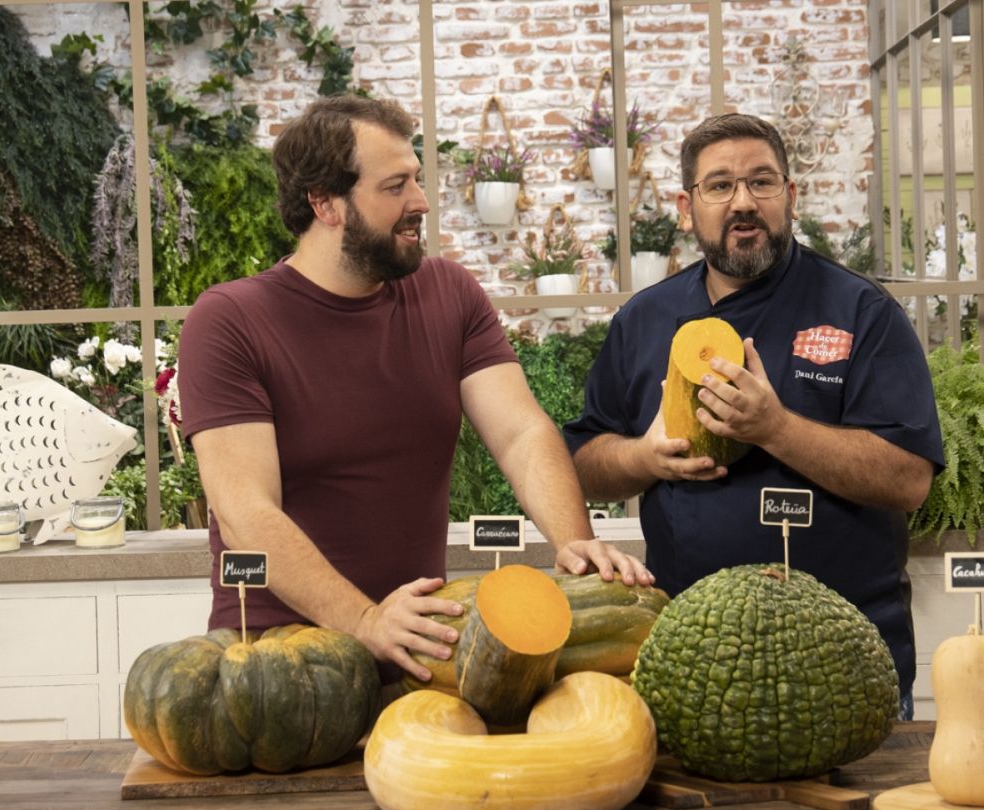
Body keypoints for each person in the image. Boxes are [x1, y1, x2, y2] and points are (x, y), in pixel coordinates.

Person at [178, 95, 650, 684]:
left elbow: (520, 433)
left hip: (421, 648)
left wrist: (575, 543)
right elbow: (245, 510)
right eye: (395, 186)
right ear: (325, 203)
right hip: (282, 666)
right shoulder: (229, 320)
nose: (421, 202)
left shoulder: (448, 292)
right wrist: (365, 620)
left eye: (417, 180)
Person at [563, 113, 943, 717]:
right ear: (686, 207)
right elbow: (584, 464)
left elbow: (909, 479)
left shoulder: (861, 311)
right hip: (693, 664)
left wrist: (775, 428)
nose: (743, 202)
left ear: (789, 195)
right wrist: (644, 457)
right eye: (719, 186)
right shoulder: (644, 320)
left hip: (844, 669)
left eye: (761, 182)